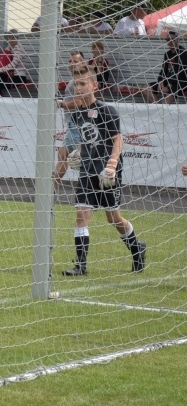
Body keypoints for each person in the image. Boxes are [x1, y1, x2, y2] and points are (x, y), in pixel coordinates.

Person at [60, 69, 146, 276]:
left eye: (82, 84)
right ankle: (81, 266)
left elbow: (118, 140)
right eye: (76, 85)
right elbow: (87, 138)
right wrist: (78, 153)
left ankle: (137, 249)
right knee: (81, 214)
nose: (78, 89)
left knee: (113, 218)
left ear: (94, 86)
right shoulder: (78, 113)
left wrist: (112, 164)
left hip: (107, 171)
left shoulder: (107, 110)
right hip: (88, 169)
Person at [54, 51, 88, 191]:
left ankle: (52, 186)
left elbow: (78, 103)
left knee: (68, 156)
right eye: (69, 61)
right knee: (63, 154)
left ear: (82, 63)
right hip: (74, 124)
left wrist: (60, 104)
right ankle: (53, 186)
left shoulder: (78, 81)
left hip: (77, 124)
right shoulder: (74, 79)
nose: (71, 64)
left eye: (75, 61)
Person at [141, 30, 187, 104]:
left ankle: (163, 111)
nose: (170, 41)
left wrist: (168, 87)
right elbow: (163, 71)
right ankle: (157, 108)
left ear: (178, 39)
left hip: (179, 83)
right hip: (168, 81)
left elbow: (181, 74)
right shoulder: (167, 54)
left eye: (172, 39)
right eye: (168, 39)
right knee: (145, 88)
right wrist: (160, 82)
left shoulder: (183, 53)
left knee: (167, 98)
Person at [0, 30, 32, 97]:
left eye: (13, 37)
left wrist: (0, 70)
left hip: (19, 77)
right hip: (10, 75)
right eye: (10, 37)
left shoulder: (19, 49)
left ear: (17, 38)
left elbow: (13, 64)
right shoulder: (8, 48)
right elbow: (2, 61)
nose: (11, 39)